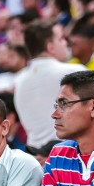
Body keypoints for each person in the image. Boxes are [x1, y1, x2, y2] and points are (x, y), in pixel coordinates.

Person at [14, 19, 86, 152]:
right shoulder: (75, 72)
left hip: (35, 157)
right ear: (50, 47)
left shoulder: (19, 81)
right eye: (61, 39)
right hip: (70, 156)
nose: (66, 43)